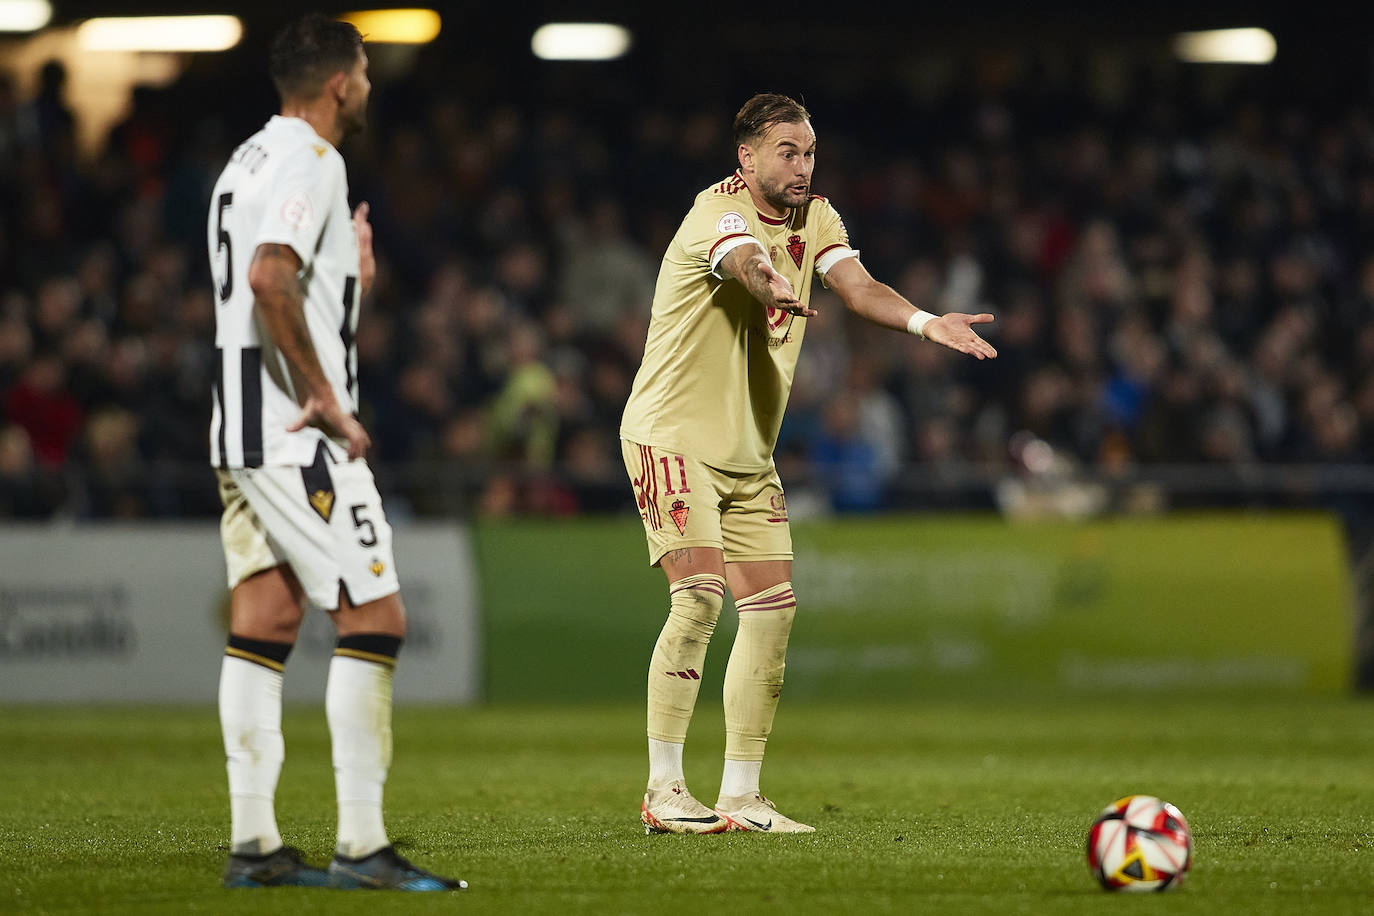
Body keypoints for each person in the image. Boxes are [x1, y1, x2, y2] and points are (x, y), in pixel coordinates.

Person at [620, 93, 996, 834]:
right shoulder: (715, 212)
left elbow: (858, 287)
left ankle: (740, 796)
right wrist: (772, 287)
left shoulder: (817, 217)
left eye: (810, 151)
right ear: (747, 157)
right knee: (697, 597)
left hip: (747, 453)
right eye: (787, 151)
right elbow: (745, 260)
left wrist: (926, 322)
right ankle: (664, 790)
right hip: (672, 436)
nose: (802, 165)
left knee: (771, 614)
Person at [207, 14, 463, 890]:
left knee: (266, 622)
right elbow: (270, 276)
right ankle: (362, 848)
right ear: (339, 85)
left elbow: (280, 280)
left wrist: (351, 278)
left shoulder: (243, 162)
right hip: (295, 434)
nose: (368, 89)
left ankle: (255, 847)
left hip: (239, 431)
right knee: (376, 618)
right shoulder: (315, 161)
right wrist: (323, 396)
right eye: (364, 74)